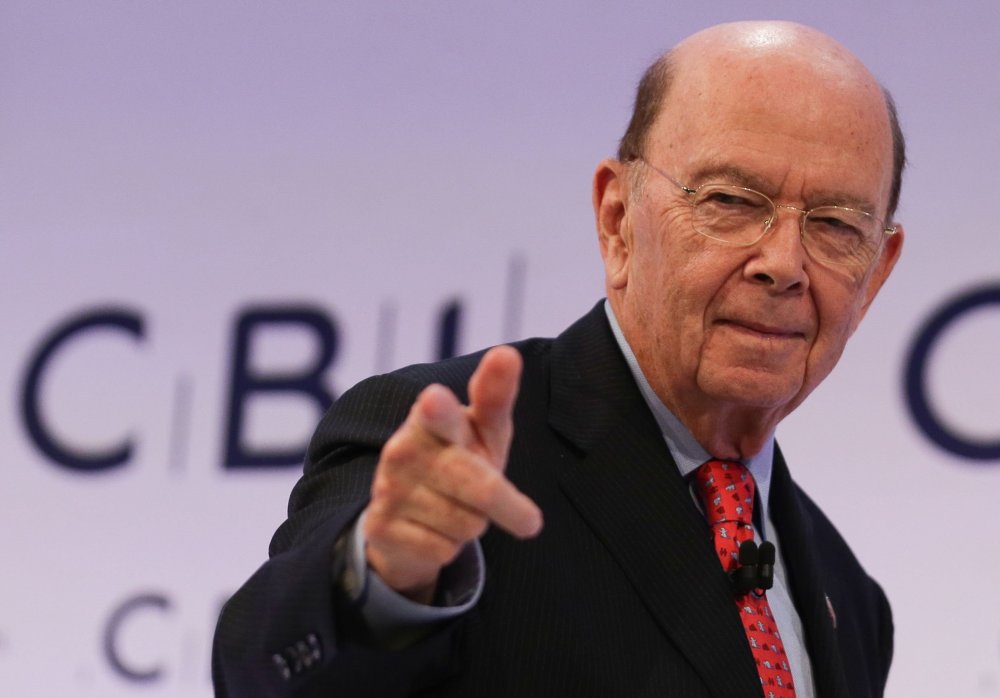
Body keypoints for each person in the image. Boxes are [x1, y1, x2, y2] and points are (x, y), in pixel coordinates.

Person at [213, 20, 905, 698]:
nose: (783, 264)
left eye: (836, 225)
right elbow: (262, 676)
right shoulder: (452, 461)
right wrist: (383, 579)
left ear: (876, 273)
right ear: (617, 221)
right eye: (729, 201)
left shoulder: (850, 598)